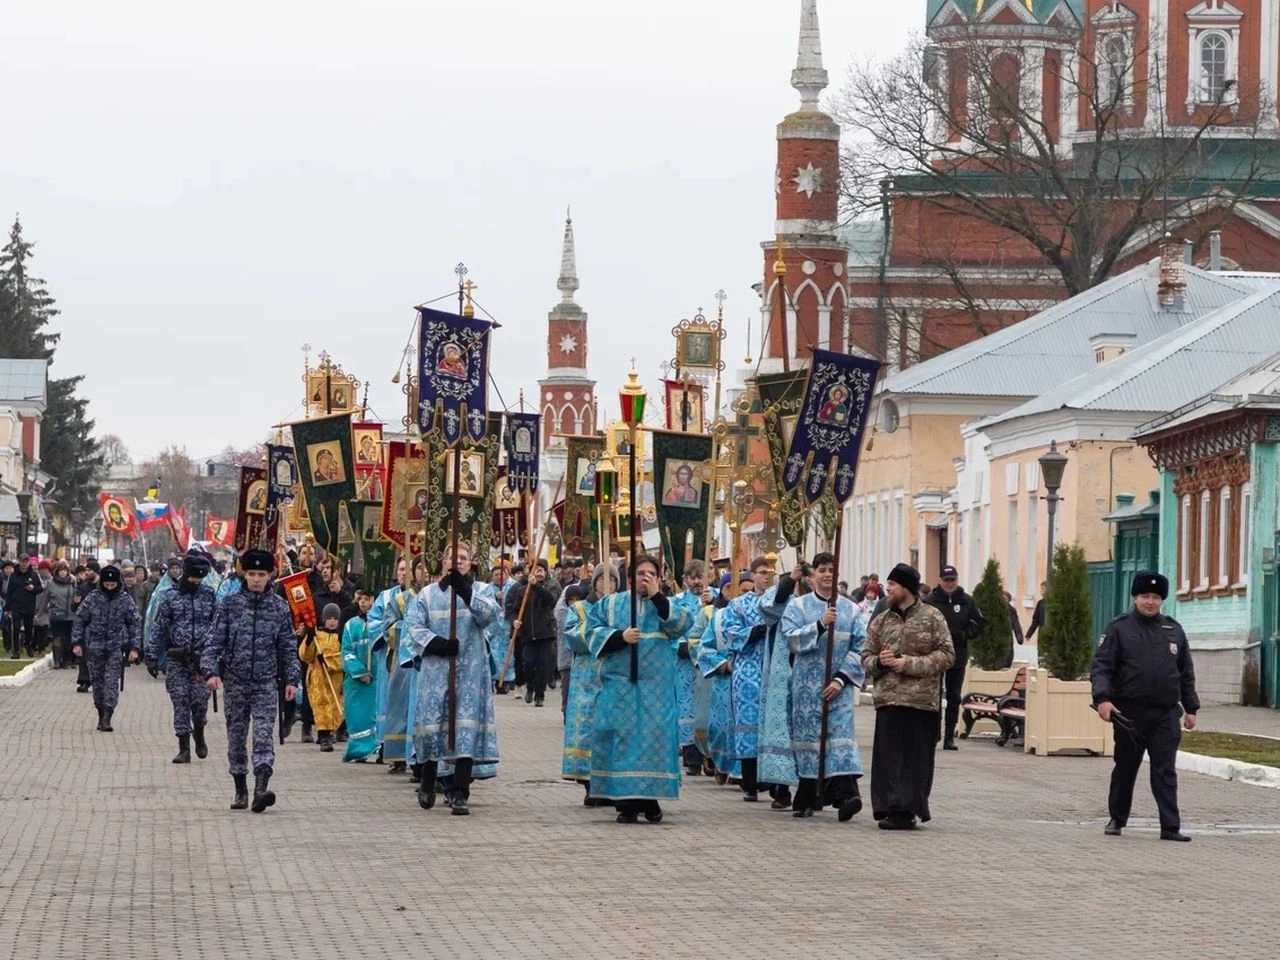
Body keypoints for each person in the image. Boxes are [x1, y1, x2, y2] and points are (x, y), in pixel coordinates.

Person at [1091, 571, 1199, 842]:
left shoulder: (1173, 630)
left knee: (1165, 769)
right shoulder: (1119, 628)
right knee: (1126, 767)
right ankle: (1117, 818)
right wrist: (1102, 699)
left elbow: (1185, 671)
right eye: (1144, 596)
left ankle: (1170, 827)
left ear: (1162, 600)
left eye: (1155, 597)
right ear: (1135, 598)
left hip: (1164, 712)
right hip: (1129, 712)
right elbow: (1102, 666)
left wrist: (1191, 708)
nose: (1150, 602)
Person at [587, 554, 690, 823]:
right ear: (630, 577)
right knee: (622, 739)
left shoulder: (666, 604)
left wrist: (658, 596)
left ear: (658, 577)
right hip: (620, 684)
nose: (645, 577)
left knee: (653, 740)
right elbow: (591, 631)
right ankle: (626, 804)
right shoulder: (611, 604)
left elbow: (681, 626)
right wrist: (619, 637)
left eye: (651, 573)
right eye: (640, 572)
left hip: (656, 687)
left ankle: (651, 800)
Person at [403, 542, 501, 816]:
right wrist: (438, 644)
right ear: (443, 561)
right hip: (436, 672)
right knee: (432, 727)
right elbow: (413, 627)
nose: (457, 562)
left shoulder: (481, 590)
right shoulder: (428, 594)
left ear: (471, 562)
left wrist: (466, 590)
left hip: (470, 673)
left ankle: (459, 792)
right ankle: (427, 779)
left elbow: (490, 616)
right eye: (452, 557)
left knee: (465, 730)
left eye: (463, 558)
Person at [201, 549, 300, 813]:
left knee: (264, 734)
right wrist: (211, 672)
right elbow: (213, 642)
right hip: (236, 680)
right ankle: (240, 789)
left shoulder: (279, 608)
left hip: (266, 682)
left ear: (271, 576)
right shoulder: (230, 606)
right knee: (236, 735)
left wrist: (292, 679)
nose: (257, 579)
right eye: (252, 574)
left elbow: (288, 647)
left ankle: (261, 788)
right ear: (245, 574)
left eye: (262, 574)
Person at [863, 563, 955, 830]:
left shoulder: (933, 617)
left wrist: (909, 664)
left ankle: (910, 809)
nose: (887, 589)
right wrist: (879, 662)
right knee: (888, 760)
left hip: (921, 702)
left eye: (892, 584)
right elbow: (865, 657)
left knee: (916, 761)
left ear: (906, 587)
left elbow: (948, 655)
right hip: (889, 701)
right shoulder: (881, 620)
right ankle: (890, 808)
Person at [782, 553, 865, 821]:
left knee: (840, 739)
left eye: (832, 570)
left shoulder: (851, 610)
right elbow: (790, 639)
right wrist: (819, 625)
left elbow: (860, 646)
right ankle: (808, 796)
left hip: (838, 686)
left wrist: (841, 679)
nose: (828, 574)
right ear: (812, 576)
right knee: (810, 742)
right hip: (807, 686)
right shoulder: (798, 607)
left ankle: (847, 796)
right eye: (822, 570)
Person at [717, 556, 792, 802]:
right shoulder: (739, 604)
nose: (766, 575)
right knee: (749, 727)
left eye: (770, 571)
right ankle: (750, 781)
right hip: (748, 671)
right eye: (761, 571)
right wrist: (754, 632)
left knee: (778, 725)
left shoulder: (786, 602)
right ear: (752, 575)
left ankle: (778, 784)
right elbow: (728, 631)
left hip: (776, 671)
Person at [147, 553, 217, 764]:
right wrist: (150, 655)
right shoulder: (170, 596)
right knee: (180, 701)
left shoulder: (209, 595)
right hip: (177, 658)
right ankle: (183, 747)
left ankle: (199, 731)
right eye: (193, 579)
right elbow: (158, 628)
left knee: (199, 702)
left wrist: (219, 657)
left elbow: (218, 627)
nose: (196, 583)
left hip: (202, 661)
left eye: (199, 580)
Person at [562, 568, 617, 804]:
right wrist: (598, 630)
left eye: (613, 579)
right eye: (603, 579)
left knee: (611, 728)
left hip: (614, 676)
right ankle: (589, 785)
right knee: (587, 729)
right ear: (594, 583)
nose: (608, 584)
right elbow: (573, 638)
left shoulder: (621, 608)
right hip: (587, 677)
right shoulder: (580, 609)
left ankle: (612, 785)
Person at [70, 565, 141, 732]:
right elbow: (80, 620)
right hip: (94, 646)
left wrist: (135, 648)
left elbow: (134, 624)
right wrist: (76, 643)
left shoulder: (125, 599)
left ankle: (108, 716)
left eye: (113, 585)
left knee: (111, 682)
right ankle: (100, 711)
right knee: (97, 682)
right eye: (107, 584)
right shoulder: (93, 598)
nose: (110, 587)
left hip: (115, 647)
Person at [924, 565, 984, 750]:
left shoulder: (966, 601)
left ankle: (949, 736)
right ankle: (934, 733)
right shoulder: (930, 601)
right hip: (935, 655)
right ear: (940, 581)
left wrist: (965, 634)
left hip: (958, 655)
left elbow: (979, 623)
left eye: (953, 580)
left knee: (954, 696)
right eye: (946, 580)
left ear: (957, 581)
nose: (949, 584)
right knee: (933, 695)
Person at [670, 561, 714, 777]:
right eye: (692, 577)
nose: (697, 581)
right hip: (686, 665)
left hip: (709, 664)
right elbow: (671, 626)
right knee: (687, 707)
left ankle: (711, 756)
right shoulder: (677, 601)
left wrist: (714, 603)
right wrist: (681, 646)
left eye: (701, 576)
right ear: (685, 579)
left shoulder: (717, 596)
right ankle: (692, 757)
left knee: (707, 707)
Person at [379, 559, 418, 775]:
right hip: (402, 662)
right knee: (400, 707)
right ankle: (397, 755)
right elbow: (387, 628)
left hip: (425, 661)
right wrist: (409, 627)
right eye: (417, 568)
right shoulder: (401, 600)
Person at [505, 559, 558, 707]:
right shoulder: (522, 591)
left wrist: (536, 586)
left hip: (545, 633)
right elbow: (514, 610)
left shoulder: (548, 589)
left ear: (545, 573)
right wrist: (515, 620)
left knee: (542, 665)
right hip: (527, 634)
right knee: (528, 663)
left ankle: (540, 695)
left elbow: (551, 600)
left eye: (541, 570)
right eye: (536, 570)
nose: (538, 573)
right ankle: (530, 688)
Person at [300, 603, 346, 752]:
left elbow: (344, 657)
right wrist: (308, 640)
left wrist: (327, 661)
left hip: (336, 679)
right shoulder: (317, 635)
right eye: (329, 618)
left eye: (335, 618)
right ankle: (323, 734)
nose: (332, 621)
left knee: (334, 705)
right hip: (318, 678)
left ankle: (331, 731)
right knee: (321, 705)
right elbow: (305, 656)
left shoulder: (342, 636)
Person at [341, 589, 378, 762]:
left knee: (375, 715)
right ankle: (357, 751)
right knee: (357, 716)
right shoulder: (351, 625)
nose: (363, 602)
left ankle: (378, 748)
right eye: (360, 599)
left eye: (367, 599)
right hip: (357, 681)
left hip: (377, 679)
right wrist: (359, 672)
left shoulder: (379, 623)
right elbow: (346, 651)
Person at [6, 554, 44, 658]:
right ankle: (16, 651)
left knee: (28, 629)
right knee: (16, 628)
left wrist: (33, 588)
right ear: (19, 562)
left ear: (29, 563)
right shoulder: (13, 576)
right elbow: (9, 592)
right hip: (16, 606)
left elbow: (41, 588)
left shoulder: (34, 575)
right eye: (22, 561)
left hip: (29, 606)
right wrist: (7, 608)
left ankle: (28, 645)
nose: (24, 564)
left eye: (26, 561)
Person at [46, 561, 77, 669]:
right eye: (60, 570)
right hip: (56, 615)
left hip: (70, 615)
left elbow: (77, 597)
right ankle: (57, 661)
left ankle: (66, 660)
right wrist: (39, 614)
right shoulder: (51, 583)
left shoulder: (72, 582)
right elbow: (46, 598)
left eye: (65, 570)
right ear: (57, 571)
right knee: (57, 638)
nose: (63, 573)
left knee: (68, 640)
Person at [32, 561, 52, 656]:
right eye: (42, 569)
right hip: (36, 607)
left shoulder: (51, 581)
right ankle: (34, 646)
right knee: (36, 629)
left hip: (46, 609)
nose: (44, 571)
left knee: (44, 628)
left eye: (46, 569)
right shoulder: (36, 580)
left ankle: (42, 647)